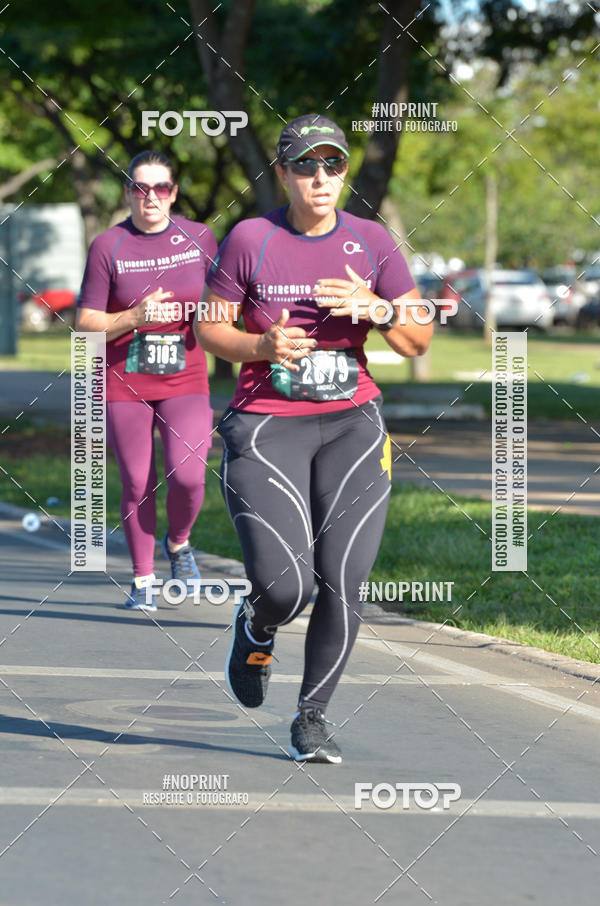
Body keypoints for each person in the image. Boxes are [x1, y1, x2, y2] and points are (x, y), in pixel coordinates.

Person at [195, 114, 432, 763]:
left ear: (345, 171)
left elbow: (416, 337)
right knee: (284, 586)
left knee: (342, 579)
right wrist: (259, 343)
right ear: (283, 173)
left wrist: (377, 309)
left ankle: (311, 718)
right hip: (267, 423)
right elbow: (208, 328)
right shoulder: (251, 238)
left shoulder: (371, 240)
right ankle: (257, 626)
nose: (320, 177)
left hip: (352, 424)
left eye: (332, 164)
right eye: (306, 164)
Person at [76, 151, 217, 610]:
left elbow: (225, 303)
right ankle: (142, 580)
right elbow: (86, 325)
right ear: (128, 192)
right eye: (140, 187)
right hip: (124, 380)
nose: (150, 196)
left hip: (186, 377)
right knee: (137, 482)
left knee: (189, 475)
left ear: (173, 192)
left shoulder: (200, 239)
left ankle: (178, 543)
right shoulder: (108, 246)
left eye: (160, 187)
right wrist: (134, 316)